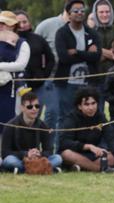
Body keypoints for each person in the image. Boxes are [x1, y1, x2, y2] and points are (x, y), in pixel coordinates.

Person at [54, 0, 102, 128]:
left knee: (89, 118)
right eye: (76, 11)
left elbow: (97, 56)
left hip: (88, 83)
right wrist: (87, 54)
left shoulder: (92, 33)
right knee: (65, 118)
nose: (80, 13)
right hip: (67, 84)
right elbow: (64, 58)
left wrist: (77, 52)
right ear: (68, 14)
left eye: (82, 10)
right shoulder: (62, 33)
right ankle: (61, 148)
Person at [59, 86, 114, 172]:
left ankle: (82, 167)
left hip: (94, 155)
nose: (91, 108)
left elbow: (112, 139)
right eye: (86, 104)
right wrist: (88, 146)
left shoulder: (100, 117)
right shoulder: (71, 118)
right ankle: (100, 169)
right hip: (76, 153)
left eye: (93, 103)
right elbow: (64, 142)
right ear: (79, 106)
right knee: (66, 154)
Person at [1, 92, 62, 173]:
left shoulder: (42, 125)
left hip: (37, 158)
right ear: (22, 108)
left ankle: (24, 169)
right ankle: (43, 168)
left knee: (58, 158)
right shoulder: (10, 125)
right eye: (30, 107)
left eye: (37, 106)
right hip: (19, 159)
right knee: (9, 161)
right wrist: (26, 154)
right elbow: (5, 153)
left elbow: (49, 150)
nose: (34, 109)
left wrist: (38, 154)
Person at [34, 7, 68, 143]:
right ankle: (32, 147)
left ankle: (50, 147)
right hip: (44, 79)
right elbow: (34, 48)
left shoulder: (79, 28)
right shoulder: (46, 25)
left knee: (55, 115)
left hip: (66, 80)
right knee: (33, 112)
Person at [14, 11, 55, 110]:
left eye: (25, 22)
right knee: (18, 116)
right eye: (19, 22)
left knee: (35, 113)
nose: (22, 25)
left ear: (29, 23)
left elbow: (51, 59)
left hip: (38, 85)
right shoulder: (10, 39)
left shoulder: (38, 39)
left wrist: (44, 75)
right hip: (17, 86)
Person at [0, 10, 30, 133]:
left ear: (12, 25)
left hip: (10, 89)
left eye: (3, 23)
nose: (0, 25)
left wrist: (0, 65)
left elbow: (21, 65)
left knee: (8, 125)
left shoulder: (21, 43)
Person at [89, 0, 114, 89]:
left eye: (107, 12)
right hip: (95, 78)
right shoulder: (89, 33)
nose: (104, 15)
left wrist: (99, 50)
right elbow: (90, 56)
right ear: (96, 13)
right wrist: (110, 53)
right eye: (101, 12)